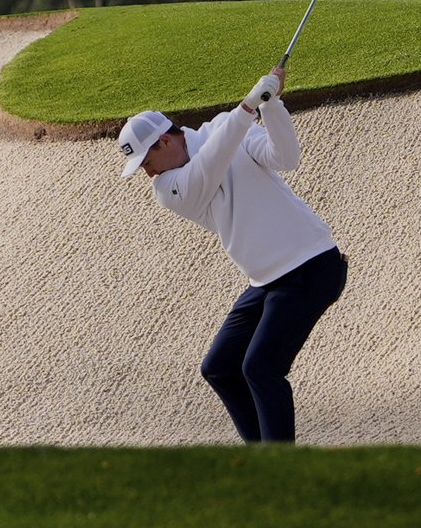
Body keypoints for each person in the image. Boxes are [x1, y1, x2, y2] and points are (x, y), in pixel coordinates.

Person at [116, 66, 347, 443]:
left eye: (145, 161)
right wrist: (245, 109)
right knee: (220, 367)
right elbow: (210, 165)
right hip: (267, 281)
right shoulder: (169, 188)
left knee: (260, 368)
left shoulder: (225, 128)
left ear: (165, 142)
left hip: (311, 265)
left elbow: (285, 157)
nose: (146, 173)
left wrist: (272, 105)